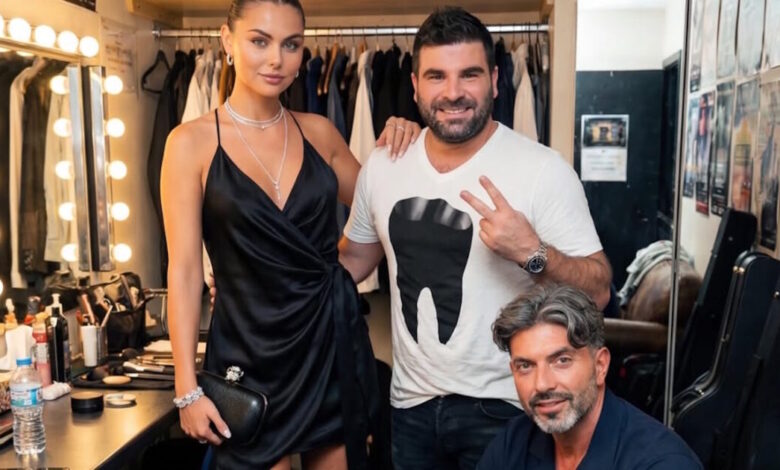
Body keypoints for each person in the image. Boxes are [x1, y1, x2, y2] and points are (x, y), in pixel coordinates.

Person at [338, 7, 612, 469]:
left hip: (505, 408)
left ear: (496, 80)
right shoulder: (384, 166)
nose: (453, 92)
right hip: (410, 406)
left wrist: (533, 253)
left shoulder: (542, 170)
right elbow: (350, 264)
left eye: (469, 74)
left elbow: (599, 290)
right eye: (436, 76)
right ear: (414, 86)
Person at [161, 1, 420, 469]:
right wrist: (186, 388)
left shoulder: (320, 133)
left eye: (291, 44)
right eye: (259, 41)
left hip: (327, 346)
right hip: (247, 353)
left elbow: (388, 212)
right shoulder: (189, 143)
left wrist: (409, 140)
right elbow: (182, 270)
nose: (276, 59)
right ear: (227, 40)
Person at [478, 284, 702, 469]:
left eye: (562, 360)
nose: (542, 384)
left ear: (600, 366)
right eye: (526, 366)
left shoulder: (663, 462)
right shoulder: (513, 442)